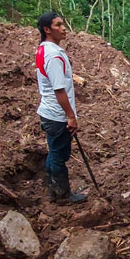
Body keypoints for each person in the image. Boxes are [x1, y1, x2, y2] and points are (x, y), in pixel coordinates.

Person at [35, 11, 86, 205]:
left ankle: (52, 187)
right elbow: (59, 89)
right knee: (59, 154)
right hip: (57, 114)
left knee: (55, 151)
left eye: (62, 24)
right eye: (58, 25)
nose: (63, 28)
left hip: (49, 111)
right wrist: (71, 116)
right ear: (47, 30)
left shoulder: (43, 50)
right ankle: (62, 194)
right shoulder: (54, 55)